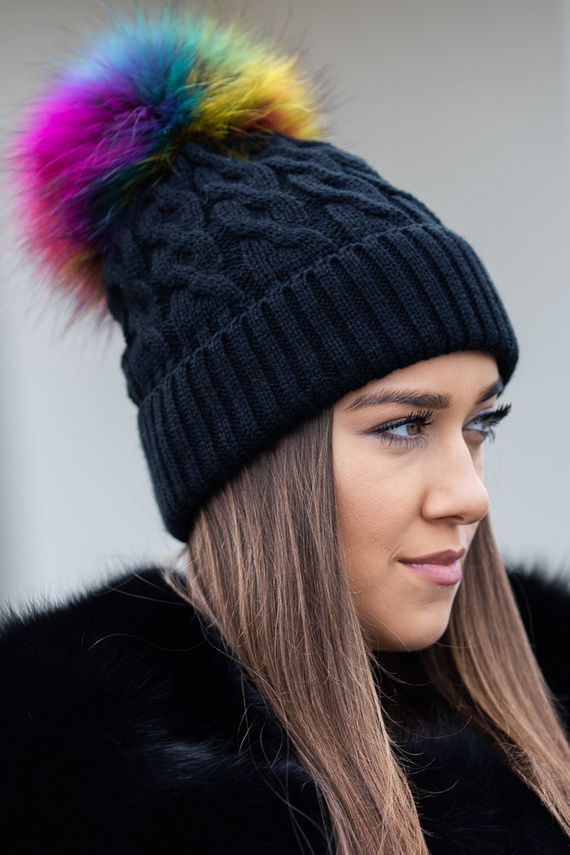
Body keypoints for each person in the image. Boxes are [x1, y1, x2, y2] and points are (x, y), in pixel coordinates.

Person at [2, 9, 569, 854]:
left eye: (480, 421)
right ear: (248, 456)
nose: (469, 493)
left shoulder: (550, 696)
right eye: (406, 424)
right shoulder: (71, 794)